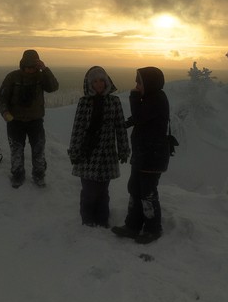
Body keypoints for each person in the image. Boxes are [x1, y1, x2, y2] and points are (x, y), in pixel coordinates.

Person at [111, 66, 170, 244]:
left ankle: (153, 228)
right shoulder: (151, 98)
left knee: (147, 192)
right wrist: (124, 124)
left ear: (149, 83)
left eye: (139, 82)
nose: (136, 85)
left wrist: (134, 96)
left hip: (152, 156)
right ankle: (133, 225)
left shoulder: (157, 99)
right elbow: (140, 119)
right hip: (143, 154)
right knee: (135, 188)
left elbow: (139, 116)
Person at [68, 66, 130, 227]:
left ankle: (102, 220)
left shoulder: (114, 102)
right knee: (89, 192)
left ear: (106, 81)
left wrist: (123, 149)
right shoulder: (84, 103)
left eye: (101, 80)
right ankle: (87, 220)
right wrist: (74, 151)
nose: (99, 84)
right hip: (87, 154)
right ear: (89, 84)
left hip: (107, 155)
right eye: (94, 81)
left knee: (103, 192)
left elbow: (120, 128)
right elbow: (78, 128)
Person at [0, 49, 59, 188]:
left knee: (38, 149)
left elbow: (54, 87)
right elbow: (2, 96)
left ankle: (39, 175)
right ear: (23, 65)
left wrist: (45, 69)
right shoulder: (12, 77)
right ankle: (17, 175)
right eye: (27, 66)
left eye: (33, 67)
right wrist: (5, 113)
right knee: (16, 150)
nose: (30, 70)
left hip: (35, 121)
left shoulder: (41, 77)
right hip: (15, 121)